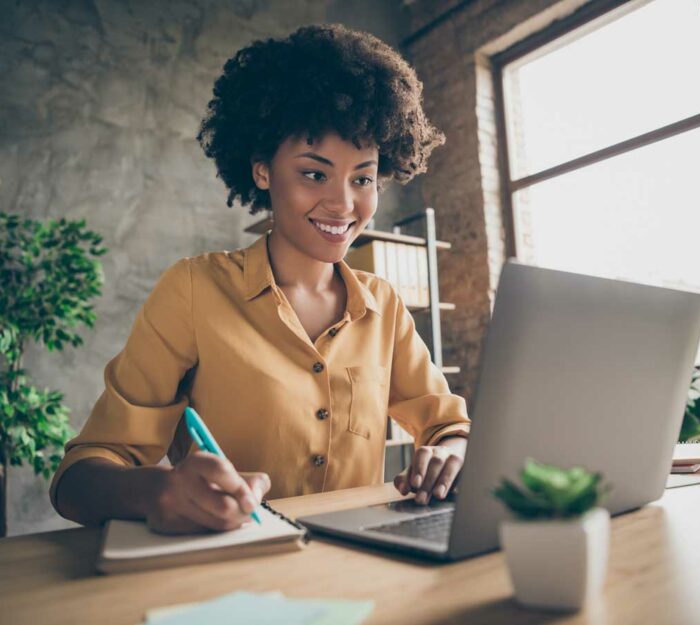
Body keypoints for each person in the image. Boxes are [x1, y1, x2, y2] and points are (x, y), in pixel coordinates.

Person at [50, 24, 470, 535]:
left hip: (361, 572)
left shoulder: (383, 305)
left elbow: (448, 425)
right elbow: (78, 480)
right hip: (234, 577)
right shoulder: (193, 291)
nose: (343, 203)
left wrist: (451, 453)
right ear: (263, 171)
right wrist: (159, 490)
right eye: (314, 174)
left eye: (362, 177)